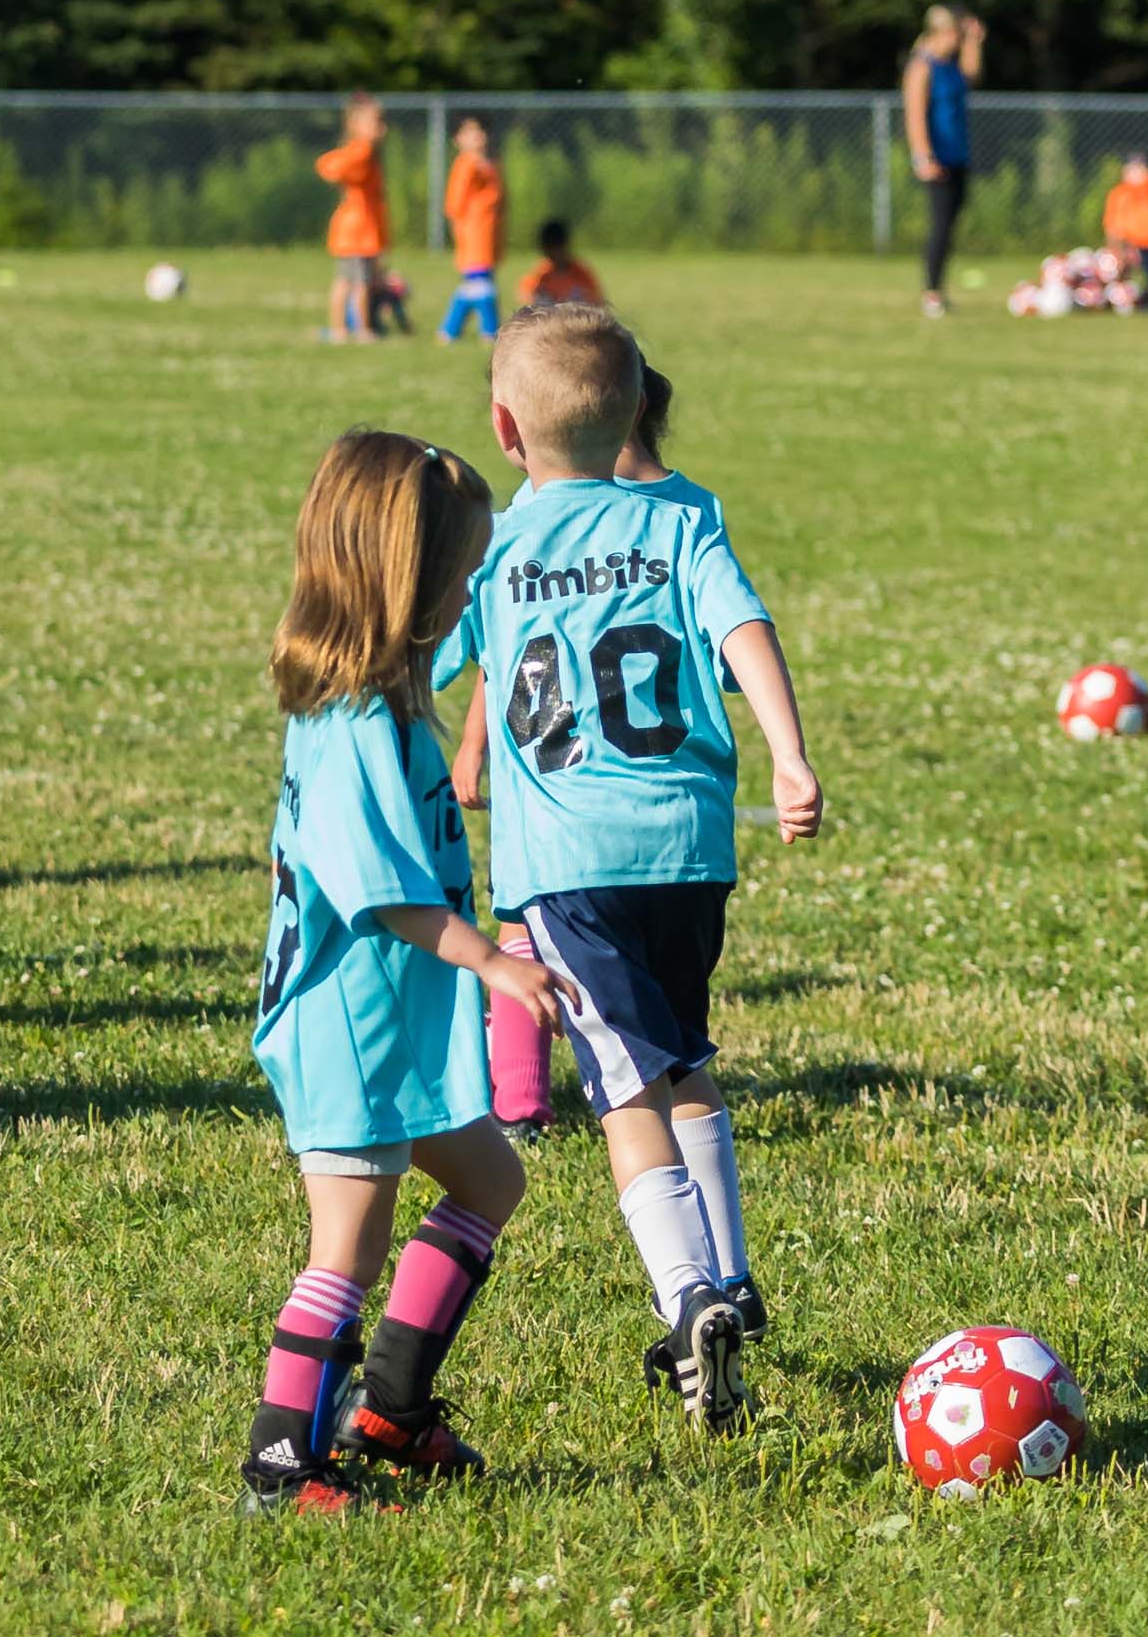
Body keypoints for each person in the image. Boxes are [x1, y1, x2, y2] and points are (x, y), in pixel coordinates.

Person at [439, 304, 821, 1435]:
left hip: (569, 867)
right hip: (690, 851)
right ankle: (735, 1276)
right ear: (637, 410)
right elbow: (743, 626)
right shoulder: (681, 516)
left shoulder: (498, 546)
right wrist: (791, 755)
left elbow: (425, 653)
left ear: (505, 430)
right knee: (684, 1055)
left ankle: (687, 1295)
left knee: (623, 1093)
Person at [239, 429, 568, 1519]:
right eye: (464, 572)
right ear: (412, 587)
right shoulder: (350, 730)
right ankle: (284, 1464)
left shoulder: (386, 703)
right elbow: (382, 891)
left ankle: (390, 1407)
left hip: (391, 1027)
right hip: (343, 1029)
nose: (474, 585)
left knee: (491, 1183)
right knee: (351, 1242)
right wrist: (494, 964)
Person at [449, 361, 731, 1139]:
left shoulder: (621, 514)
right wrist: (474, 740)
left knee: (533, 927)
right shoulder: (670, 516)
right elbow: (509, 649)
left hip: (576, 815)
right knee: (525, 927)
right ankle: (520, 1097)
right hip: (586, 794)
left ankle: (519, 1102)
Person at [904, 4, 984, 318]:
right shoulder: (922, 66)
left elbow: (973, 76)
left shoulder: (950, 65)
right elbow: (914, 115)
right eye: (957, 34)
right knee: (939, 226)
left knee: (950, 226)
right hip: (935, 159)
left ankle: (939, 288)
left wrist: (974, 43)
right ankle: (932, 292)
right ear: (942, 31)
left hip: (957, 155)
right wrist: (923, 156)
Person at [312, 94, 390, 342]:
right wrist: (339, 173)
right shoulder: (362, 150)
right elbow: (328, 165)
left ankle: (341, 329)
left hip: (355, 230)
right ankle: (360, 329)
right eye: (376, 122)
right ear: (355, 125)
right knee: (359, 284)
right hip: (357, 230)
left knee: (347, 281)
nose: (382, 128)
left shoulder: (365, 152)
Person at [438, 117, 505, 344]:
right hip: (475, 235)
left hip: (488, 235)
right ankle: (490, 330)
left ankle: (450, 331)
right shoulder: (467, 164)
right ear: (457, 139)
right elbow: (454, 204)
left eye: (481, 130)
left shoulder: (488, 163)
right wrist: (462, 232)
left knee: (475, 286)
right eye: (470, 132)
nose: (478, 136)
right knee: (481, 285)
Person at [1103, 153, 1148, 311]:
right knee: (1118, 268)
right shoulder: (1120, 193)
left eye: (1139, 169)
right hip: (1129, 239)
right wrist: (1115, 243)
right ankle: (1114, 296)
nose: (1134, 174)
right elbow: (1113, 220)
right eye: (1131, 169)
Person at [516, 219, 603, 308]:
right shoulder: (540, 274)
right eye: (552, 247)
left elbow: (597, 302)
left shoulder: (580, 273)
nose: (556, 252)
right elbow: (525, 295)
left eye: (558, 246)